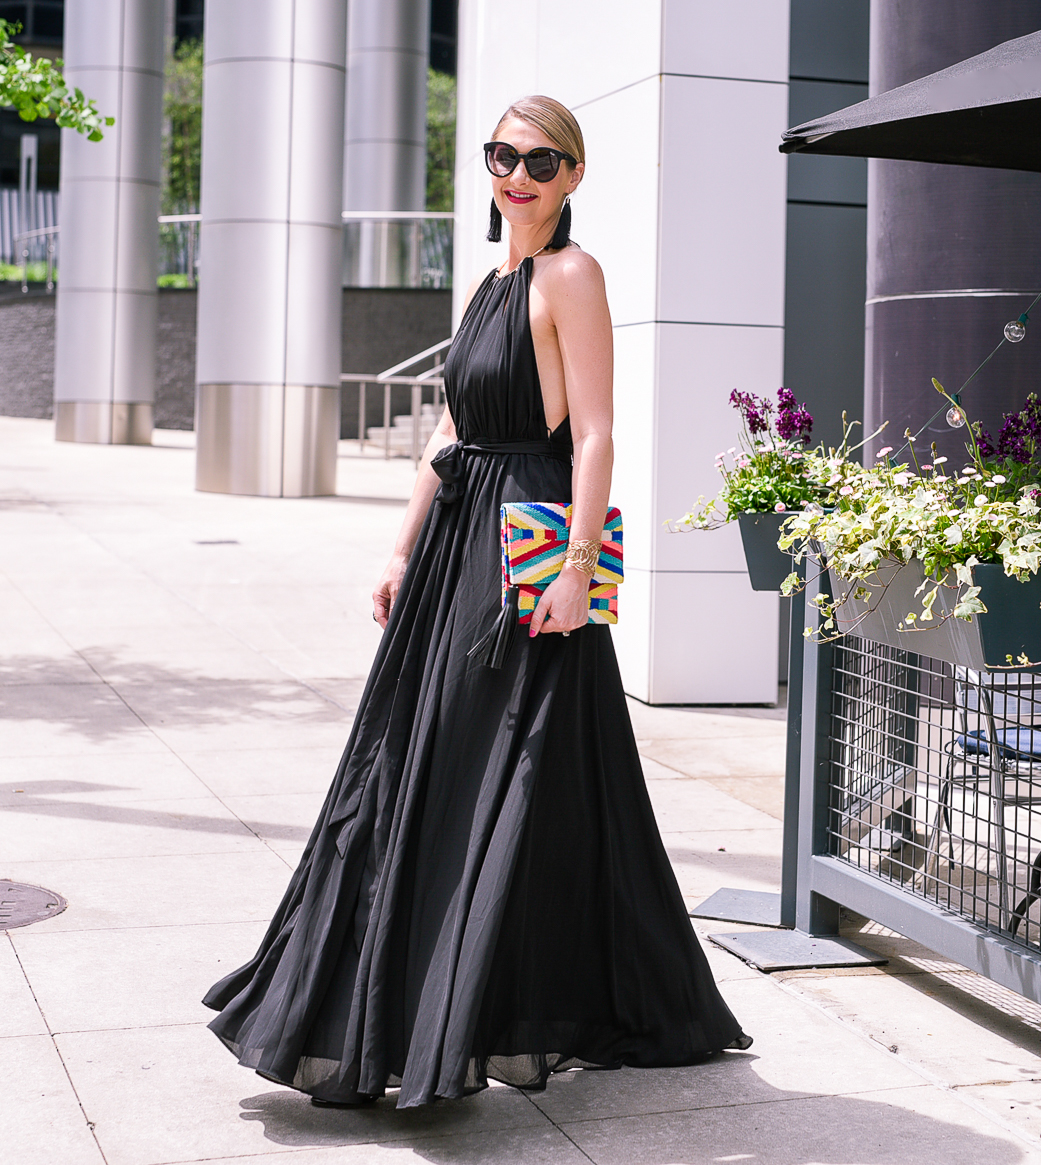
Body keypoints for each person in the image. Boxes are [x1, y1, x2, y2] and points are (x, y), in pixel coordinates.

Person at [203, 94, 751, 1110]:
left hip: (527, 548)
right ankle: (437, 1000)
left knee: (494, 765)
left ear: (574, 177)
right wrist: (401, 549)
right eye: (502, 155)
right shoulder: (490, 281)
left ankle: (448, 1009)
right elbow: (450, 431)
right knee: (459, 764)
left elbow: (594, 434)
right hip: (459, 542)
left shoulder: (571, 275)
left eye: (541, 160)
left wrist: (580, 562)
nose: (518, 175)